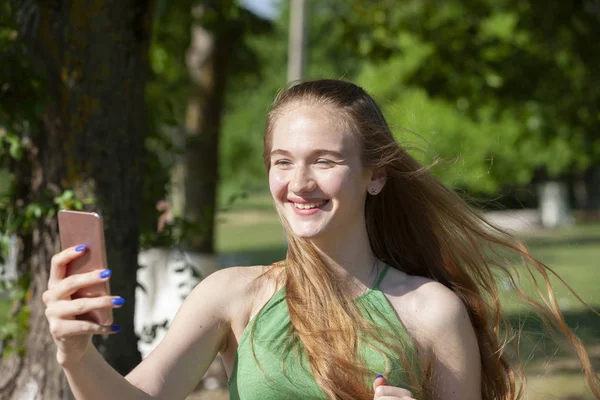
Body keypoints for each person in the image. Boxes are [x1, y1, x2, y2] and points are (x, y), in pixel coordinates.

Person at [43, 79, 599, 400]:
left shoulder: (431, 312)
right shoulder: (233, 296)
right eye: (282, 162)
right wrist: (75, 353)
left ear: (374, 175)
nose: (299, 183)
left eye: (326, 161)